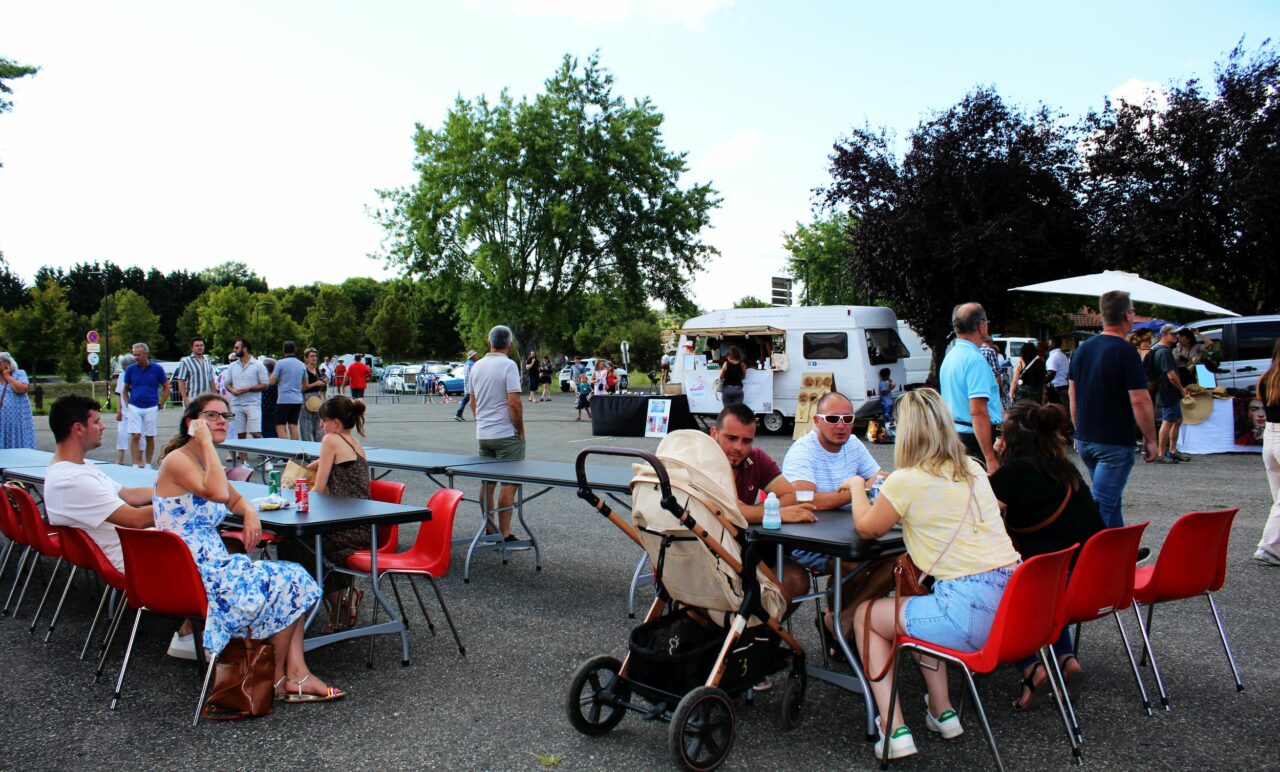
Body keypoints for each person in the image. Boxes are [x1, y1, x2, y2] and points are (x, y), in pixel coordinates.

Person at [849, 388, 1022, 761]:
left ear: (907, 431)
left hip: (968, 614)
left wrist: (854, 488)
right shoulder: (974, 469)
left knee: (867, 616)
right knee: (919, 608)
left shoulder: (905, 480)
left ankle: (893, 729)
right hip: (1015, 608)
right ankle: (942, 710)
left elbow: (866, 527)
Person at [154, 394, 343, 702]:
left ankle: (295, 673)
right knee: (291, 579)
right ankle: (280, 677)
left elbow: (235, 498)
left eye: (225, 416)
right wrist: (204, 444)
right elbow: (217, 491)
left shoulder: (200, 459)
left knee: (294, 576)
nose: (220, 421)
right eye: (211, 416)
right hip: (192, 575)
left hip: (209, 567)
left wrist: (251, 513)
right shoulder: (179, 460)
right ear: (192, 423)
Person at [989, 401, 1105, 709]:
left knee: (993, 588)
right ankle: (1065, 660)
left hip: (1053, 583)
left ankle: (1031, 667)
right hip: (1091, 582)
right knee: (1048, 575)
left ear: (1010, 438)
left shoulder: (1010, 475)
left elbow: (978, 521)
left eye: (1000, 431)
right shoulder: (1067, 469)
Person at [780, 391, 884, 645]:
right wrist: (855, 491)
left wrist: (871, 484)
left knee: (901, 559)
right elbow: (805, 499)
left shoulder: (853, 444)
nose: (841, 425)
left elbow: (878, 477)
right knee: (853, 564)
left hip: (850, 531)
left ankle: (845, 618)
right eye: (833, 418)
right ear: (817, 421)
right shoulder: (803, 451)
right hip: (810, 537)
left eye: (847, 418)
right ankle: (840, 622)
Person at [279, 396, 372, 631]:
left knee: (298, 541)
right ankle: (342, 596)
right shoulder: (350, 441)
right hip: (362, 525)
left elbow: (319, 491)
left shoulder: (331, 439)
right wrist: (307, 469)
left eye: (323, 421)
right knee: (303, 540)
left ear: (336, 423)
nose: (321, 425)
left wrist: (289, 497)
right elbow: (321, 464)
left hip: (346, 527)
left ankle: (336, 601)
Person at [1069, 291, 1159, 528]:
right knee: (1103, 506)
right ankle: (1091, 560)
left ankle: (1121, 554)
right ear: (1128, 315)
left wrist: (1078, 430)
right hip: (1114, 441)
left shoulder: (1081, 349)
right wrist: (1151, 438)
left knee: (1110, 500)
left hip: (1087, 437)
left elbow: (1073, 395)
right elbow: (1140, 400)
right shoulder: (1125, 351)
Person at [712, 402, 815, 602]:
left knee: (795, 578)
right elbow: (728, 510)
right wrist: (775, 512)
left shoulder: (755, 458)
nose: (738, 447)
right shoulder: (700, 459)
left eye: (746, 441)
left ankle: (760, 631)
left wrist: (752, 510)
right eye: (731, 438)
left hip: (745, 548)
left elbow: (790, 495)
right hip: (708, 554)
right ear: (714, 433)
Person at [469, 325, 526, 542]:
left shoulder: (476, 366)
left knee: (487, 482)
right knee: (509, 482)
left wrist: (481, 421)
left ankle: (489, 527)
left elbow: (473, 402)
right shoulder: (508, 365)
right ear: (510, 345)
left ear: (488, 341)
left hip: (483, 433)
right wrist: (520, 429)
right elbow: (514, 402)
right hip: (505, 433)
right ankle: (505, 532)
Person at [940, 303, 1002, 472]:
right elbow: (978, 411)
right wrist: (989, 457)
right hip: (975, 438)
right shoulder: (975, 360)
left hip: (956, 433)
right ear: (981, 325)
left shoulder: (950, 356)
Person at [120, 343, 170, 468]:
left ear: (146, 354)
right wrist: (127, 404)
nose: (136, 357)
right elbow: (124, 389)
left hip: (151, 405)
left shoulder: (157, 369)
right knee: (136, 435)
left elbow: (167, 387)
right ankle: (136, 463)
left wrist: (161, 402)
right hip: (134, 405)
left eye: (138, 355)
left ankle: (147, 463)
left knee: (149, 435)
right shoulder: (131, 369)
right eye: (134, 354)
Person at [1254, 340, 1280, 566]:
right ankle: (1268, 545)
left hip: (1270, 436)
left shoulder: (1266, 378)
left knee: (1278, 497)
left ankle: (1275, 547)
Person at [225, 339, 269, 466]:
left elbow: (265, 384)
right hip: (236, 403)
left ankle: (266, 459)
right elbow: (227, 383)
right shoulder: (232, 366)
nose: (234, 350)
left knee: (256, 432)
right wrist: (233, 390)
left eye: (237, 347)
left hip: (252, 403)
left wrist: (249, 388)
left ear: (245, 349)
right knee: (240, 433)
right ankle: (244, 462)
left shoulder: (258, 365)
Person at [1150, 324, 1190, 463]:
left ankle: (1172, 450)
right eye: (1172, 334)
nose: (1176, 336)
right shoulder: (1164, 352)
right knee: (1168, 421)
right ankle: (1161, 453)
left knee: (1177, 420)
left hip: (1167, 390)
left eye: (1176, 334)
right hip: (1168, 391)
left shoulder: (1160, 350)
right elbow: (1171, 375)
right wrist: (1181, 389)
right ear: (1164, 335)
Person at [270, 341, 307, 440]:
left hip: (284, 399)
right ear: (295, 350)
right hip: (297, 399)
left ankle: (286, 452)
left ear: (283, 350)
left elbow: (272, 381)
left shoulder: (280, 363)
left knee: (280, 426)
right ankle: (294, 451)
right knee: (293, 426)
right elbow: (305, 385)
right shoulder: (302, 365)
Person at [0, 352, 34, 450]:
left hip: (17, 419)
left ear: (7, 363)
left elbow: (22, 390)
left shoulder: (19, 373)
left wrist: (8, 377)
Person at [172, 336, 217, 408]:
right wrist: (185, 398)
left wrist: (216, 397)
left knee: (206, 418)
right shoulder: (186, 361)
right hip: (192, 398)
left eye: (201, 345)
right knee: (192, 419)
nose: (200, 347)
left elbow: (211, 380)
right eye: (197, 345)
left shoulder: (208, 361)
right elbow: (180, 381)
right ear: (192, 348)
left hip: (206, 398)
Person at [299, 348, 328, 442]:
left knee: (318, 425)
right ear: (306, 358)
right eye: (311, 356)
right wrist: (316, 384)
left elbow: (322, 381)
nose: (314, 358)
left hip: (317, 397)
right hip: (306, 397)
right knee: (306, 425)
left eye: (315, 356)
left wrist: (324, 381)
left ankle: (318, 447)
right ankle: (307, 449)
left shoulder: (317, 370)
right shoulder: (303, 370)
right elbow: (302, 388)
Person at [112, 353, 136, 464]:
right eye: (124, 367)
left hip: (135, 410)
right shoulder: (122, 376)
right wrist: (119, 410)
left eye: (126, 366)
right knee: (121, 434)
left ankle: (136, 460)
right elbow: (118, 394)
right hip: (124, 411)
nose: (125, 368)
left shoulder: (137, 375)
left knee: (137, 436)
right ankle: (120, 459)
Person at [1045, 336, 1070, 407]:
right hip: (1064, 385)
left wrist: (1042, 382)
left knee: (1055, 409)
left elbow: (1051, 374)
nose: (1048, 344)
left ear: (1053, 343)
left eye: (1049, 342)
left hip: (1055, 387)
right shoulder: (1063, 355)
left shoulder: (1054, 357)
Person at [454, 350, 478, 422]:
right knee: (471, 400)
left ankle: (459, 414)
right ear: (472, 356)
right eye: (475, 355)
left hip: (468, 385)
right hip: (472, 385)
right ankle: (459, 414)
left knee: (466, 400)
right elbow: (474, 375)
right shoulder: (472, 364)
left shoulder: (467, 363)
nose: (476, 356)